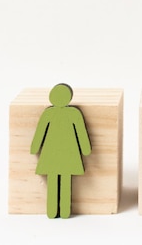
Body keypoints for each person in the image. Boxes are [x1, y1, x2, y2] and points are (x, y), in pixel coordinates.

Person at [30, 83, 92, 218]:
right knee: (65, 181)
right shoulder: (73, 113)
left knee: (54, 180)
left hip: (52, 154)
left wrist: (34, 147)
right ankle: (63, 212)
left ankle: (54, 212)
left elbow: (40, 133)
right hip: (67, 154)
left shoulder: (50, 113)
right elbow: (81, 133)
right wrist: (86, 149)